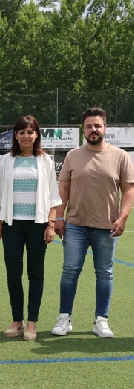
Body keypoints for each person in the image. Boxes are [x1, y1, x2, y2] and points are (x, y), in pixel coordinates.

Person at [51, 107, 134, 339]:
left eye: (97, 125)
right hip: (75, 224)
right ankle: (64, 318)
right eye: (89, 126)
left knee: (105, 273)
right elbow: (63, 188)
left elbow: (128, 190)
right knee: (69, 272)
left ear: (105, 128)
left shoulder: (120, 156)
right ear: (83, 129)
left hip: (107, 226)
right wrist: (59, 217)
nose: (93, 130)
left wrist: (123, 217)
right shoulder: (72, 155)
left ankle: (101, 320)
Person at [0, 115, 62, 341]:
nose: (26, 136)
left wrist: (50, 224)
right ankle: (16, 320)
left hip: (37, 225)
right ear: (15, 135)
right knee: (13, 274)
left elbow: (53, 197)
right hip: (12, 224)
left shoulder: (46, 161)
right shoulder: (7, 161)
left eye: (30, 132)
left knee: (36, 274)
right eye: (21, 132)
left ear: (37, 135)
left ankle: (32, 322)